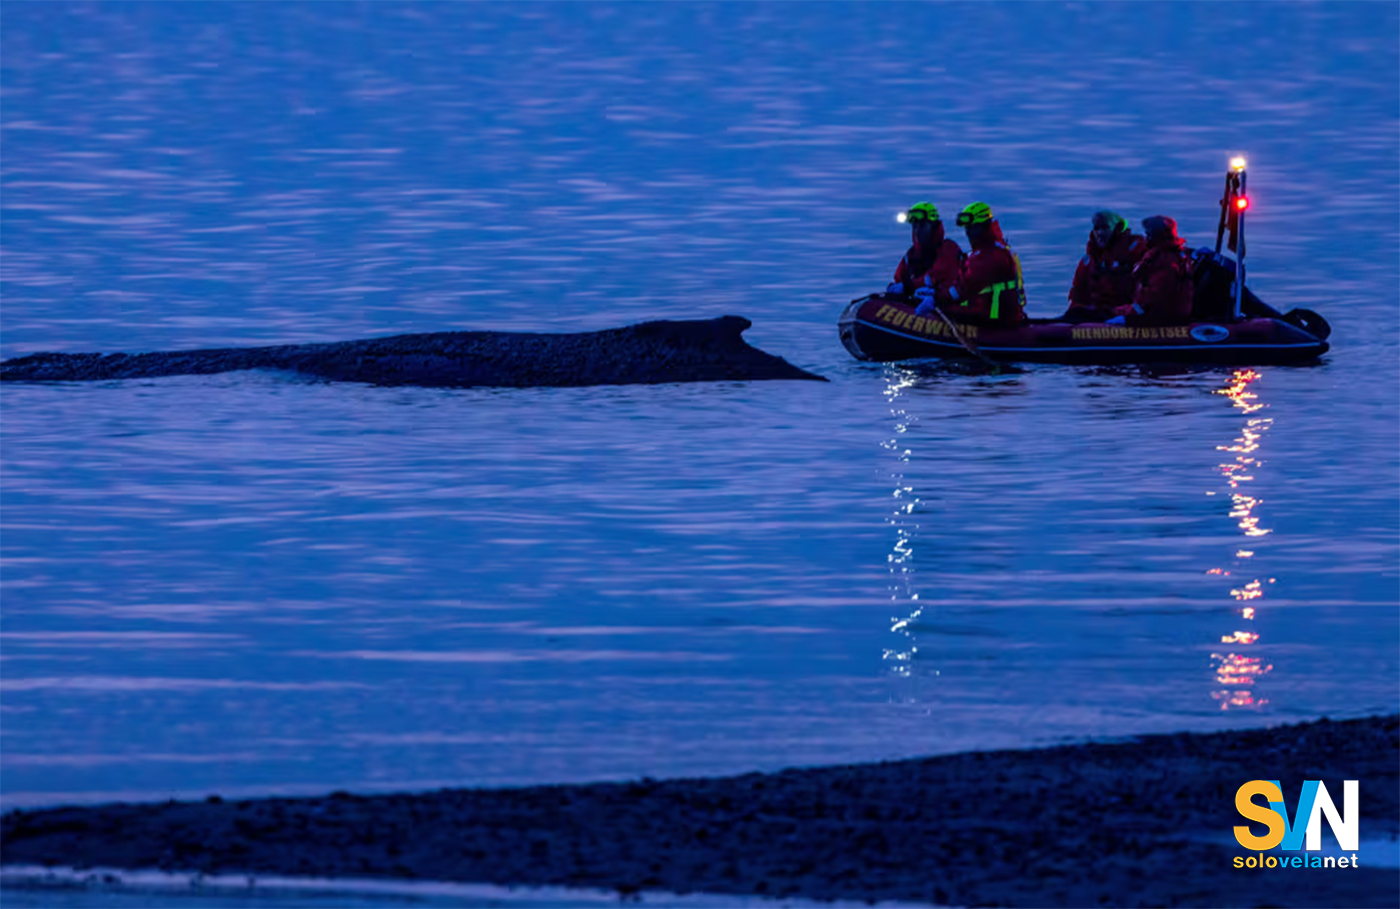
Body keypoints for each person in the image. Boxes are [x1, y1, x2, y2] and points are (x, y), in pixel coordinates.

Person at [916, 201, 1026, 325]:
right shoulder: (985, 252)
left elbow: (964, 288)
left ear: (984, 226)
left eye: (972, 227)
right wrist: (934, 292)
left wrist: (936, 299)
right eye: (967, 228)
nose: (968, 232)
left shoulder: (991, 256)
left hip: (995, 319)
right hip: (990, 313)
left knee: (944, 311)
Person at [1107, 216, 1194, 326]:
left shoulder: (1166, 262)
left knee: (1101, 316)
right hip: (1152, 314)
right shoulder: (1165, 256)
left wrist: (1128, 316)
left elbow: (1155, 298)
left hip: (1158, 319)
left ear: (1157, 236)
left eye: (1148, 234)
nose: (1146, 238)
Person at [1061, 210, 1145, 322]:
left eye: (1105, 228)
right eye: (1097, 228)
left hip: (1126, 315)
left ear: (1118, 228)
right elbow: (1078, 294)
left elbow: (1148, 293)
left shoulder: (1137, 253)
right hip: (1098, 315)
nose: (1100, 233)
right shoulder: (1089, 260)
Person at [886, 202, 963, 300]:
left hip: (946, 306)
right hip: (917, 306)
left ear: (933, 225)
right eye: (915, 226)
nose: (917, 230)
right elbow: (899, 277)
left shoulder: (948, 248)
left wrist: (909, 286)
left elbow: (937, 275)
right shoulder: (912, 254)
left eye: (922, 226)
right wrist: (894, 287)